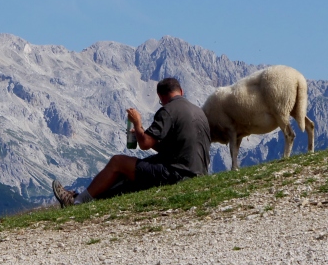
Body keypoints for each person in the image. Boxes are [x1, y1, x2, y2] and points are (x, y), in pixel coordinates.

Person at [51, 77, 210, 206]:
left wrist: (137, 123)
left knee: (118, 162)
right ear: (181, 91)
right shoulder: (198, 111)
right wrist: (143, 134)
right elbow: (175, 149)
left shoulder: (168, 110)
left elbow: (145, 144)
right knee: (134, 169)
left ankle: (76, 201)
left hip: (177, 174)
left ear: (161, 97)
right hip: (198, 172)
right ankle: (89, 200)